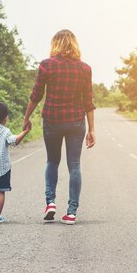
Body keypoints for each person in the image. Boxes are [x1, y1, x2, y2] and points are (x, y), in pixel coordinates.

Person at [22, 29, 96, 225]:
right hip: (75, 122)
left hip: (52, 121)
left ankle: (50, 203)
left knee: (52, 161)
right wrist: (91, 129)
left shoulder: (47, 65)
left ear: (55, 44)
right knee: (74, 166)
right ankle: (71, 213)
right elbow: (88, 102)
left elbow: (36, 95)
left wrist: (26, 117)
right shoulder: (85, 69)